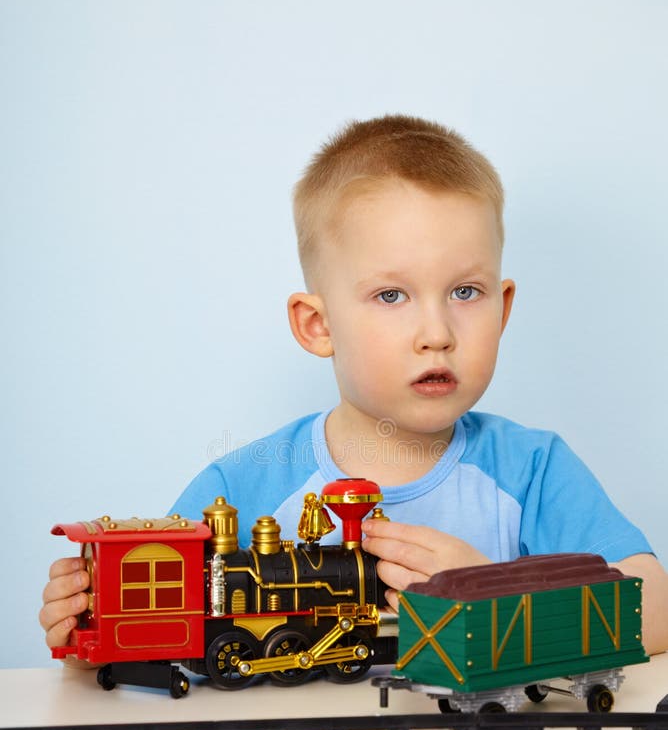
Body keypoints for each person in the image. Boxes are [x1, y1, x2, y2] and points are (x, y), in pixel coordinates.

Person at [40, 114, 668, 656]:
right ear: (318, 326)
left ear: (503, 310)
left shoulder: (533, 470)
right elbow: (163, 631)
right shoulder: (241, 485)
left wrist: (495, 592)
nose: (437, 332)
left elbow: (657, 610)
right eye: (391, 295)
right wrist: (82, 631)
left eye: (465, 292)